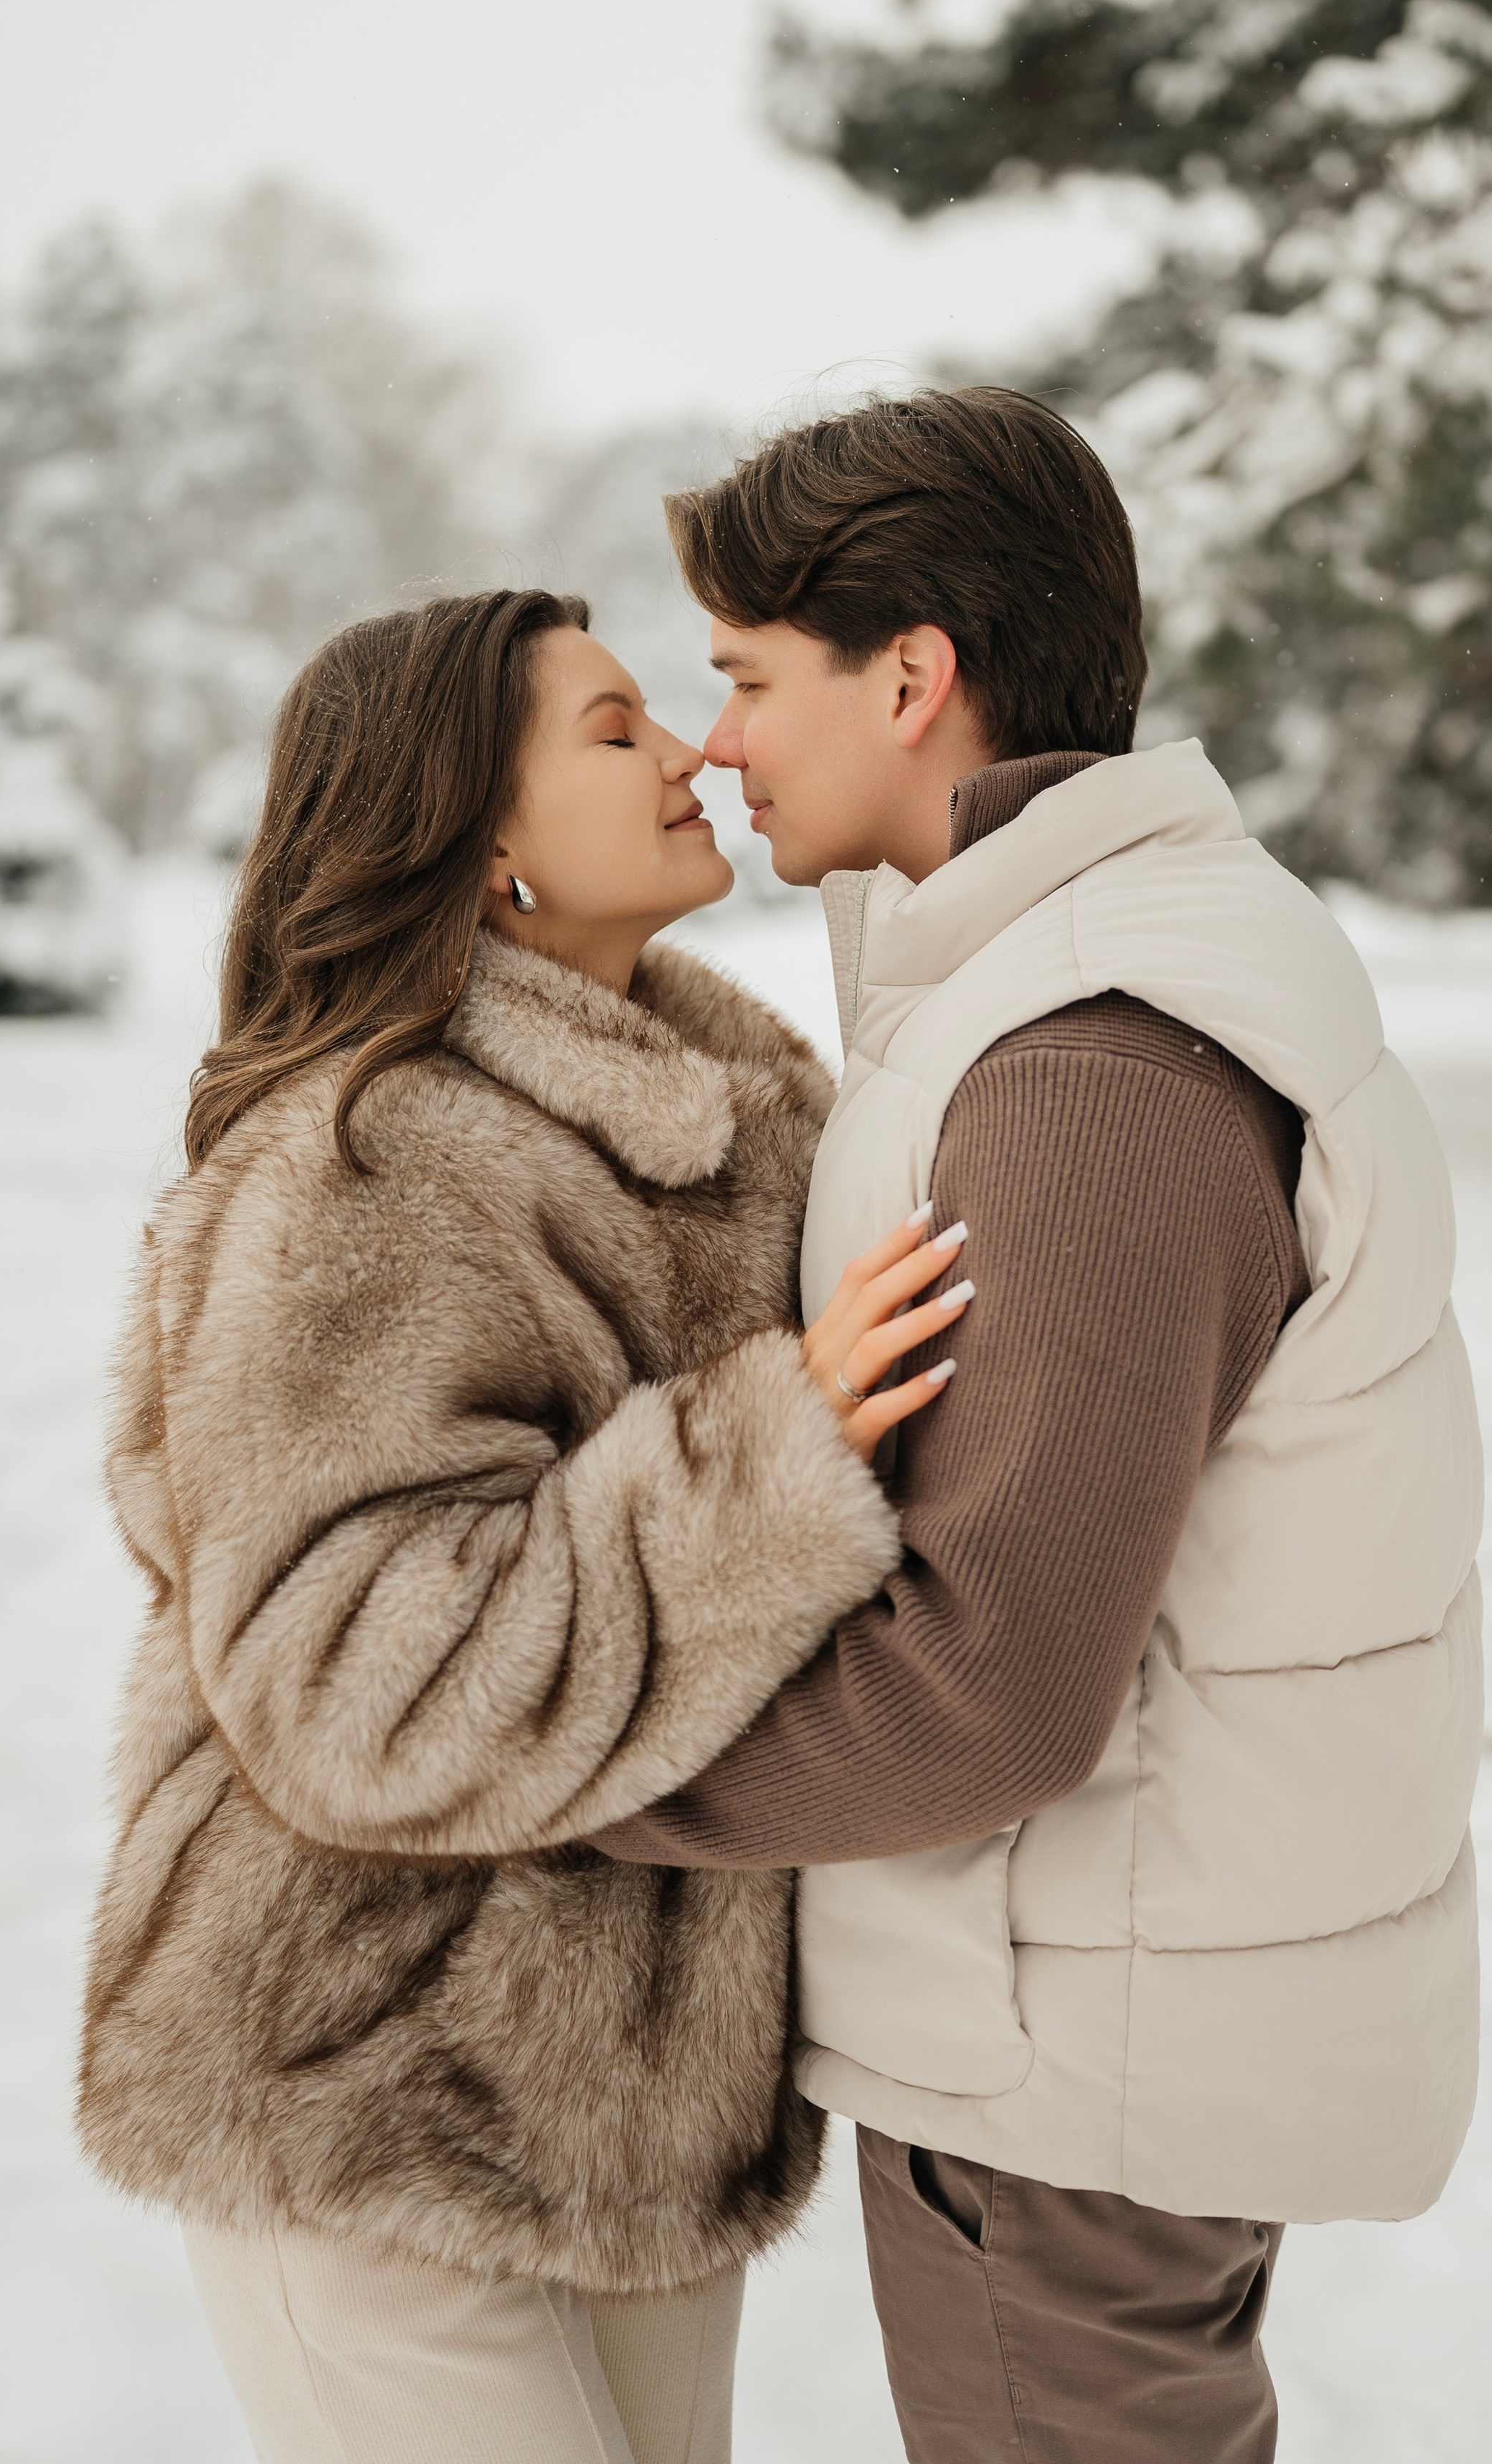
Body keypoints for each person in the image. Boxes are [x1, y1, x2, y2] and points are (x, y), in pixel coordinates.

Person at [597, 390, 1486, 2464]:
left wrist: (563, 1775)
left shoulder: (1090, 1059)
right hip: (1112, 2011)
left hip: (1078, 2062)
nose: (714, 741)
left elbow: (991, 1693)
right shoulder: (1081, 973)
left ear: (911, 676)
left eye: (748, 678)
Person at [77, 586, 974, 2464]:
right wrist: (769, 1455)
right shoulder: (369, 1160)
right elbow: (354, 1689)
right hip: (363, 2083)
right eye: (614, 727)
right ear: (479, 835)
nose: (691, 751)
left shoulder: (745, 1127)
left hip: (638, 2112)